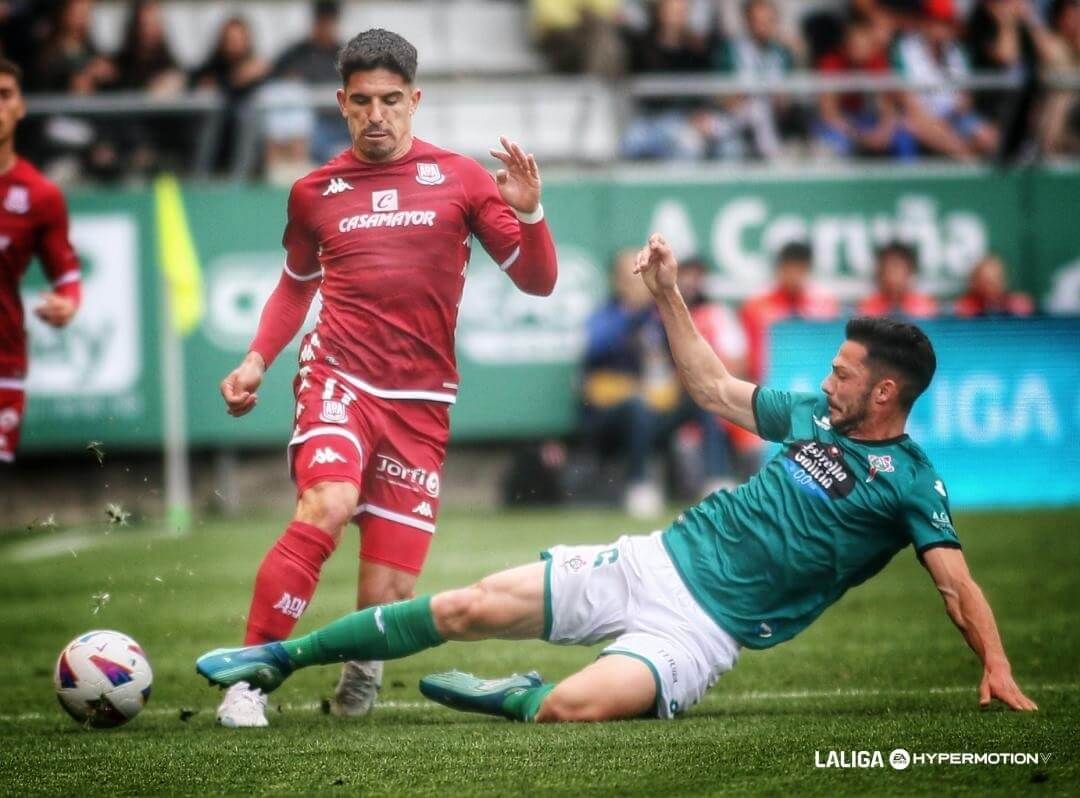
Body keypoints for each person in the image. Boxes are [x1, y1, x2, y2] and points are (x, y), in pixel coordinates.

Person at [197, 234, 1038, 722]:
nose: (828, 380)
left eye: (846, 374)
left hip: (702, 637)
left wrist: (996, 666)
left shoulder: (909, 481)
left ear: (886, 392)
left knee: (565, 712)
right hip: (654, 561)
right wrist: (669, 295)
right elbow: (711, 388)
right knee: (462, 607)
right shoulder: (809, 415)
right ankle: (277, 657)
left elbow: (956, 585)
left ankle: (517, 692)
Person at [213, 29, 558, 728]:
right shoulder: (314, 192)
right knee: (328, 502)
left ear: (415, 100)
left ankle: (359, 672)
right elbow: (293, 284)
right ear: (341, 103)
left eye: (392, 100)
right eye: (363, 101)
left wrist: (529, 212)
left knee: (389, 587)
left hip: (422, 401)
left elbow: (537, 281)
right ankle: (247, 682)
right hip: (338, 377)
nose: (378, 114)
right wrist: (256, 360)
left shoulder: (460, 179)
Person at [0, 58, 81, 465]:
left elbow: (65, 271)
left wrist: (69, 302)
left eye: (4, 96)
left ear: (21, 107)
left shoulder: (39, 196)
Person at [580, 248, 677, 517]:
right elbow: (595, 348)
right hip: (608, 417)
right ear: (616, 281)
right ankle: (639, 486)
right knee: (637, 406)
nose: (636, 284)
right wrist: (630, 316)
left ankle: (715, 479)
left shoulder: (657, 317)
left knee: (701, 399)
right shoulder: (605, 315)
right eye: (629, 277)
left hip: (656, 406)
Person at [739, 241, 839, 385]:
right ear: (780, 268)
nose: (795, 274)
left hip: (815, 385)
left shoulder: (826, 304)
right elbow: (748, 354)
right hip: (766, 386)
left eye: (800, 268)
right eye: (790, 267)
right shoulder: (755, 305)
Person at [857, 241, 938, 319]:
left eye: (896, 267)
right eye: (887, 268)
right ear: (879, 272)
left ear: (909, 271)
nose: (892, 275)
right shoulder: (867, 307)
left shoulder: (925, 306)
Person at [952, 253, 1034, 317]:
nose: (993, 286)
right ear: (975, 283)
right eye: (986, 281)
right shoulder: (965, 308)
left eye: (996, 279)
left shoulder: (1017, 306)